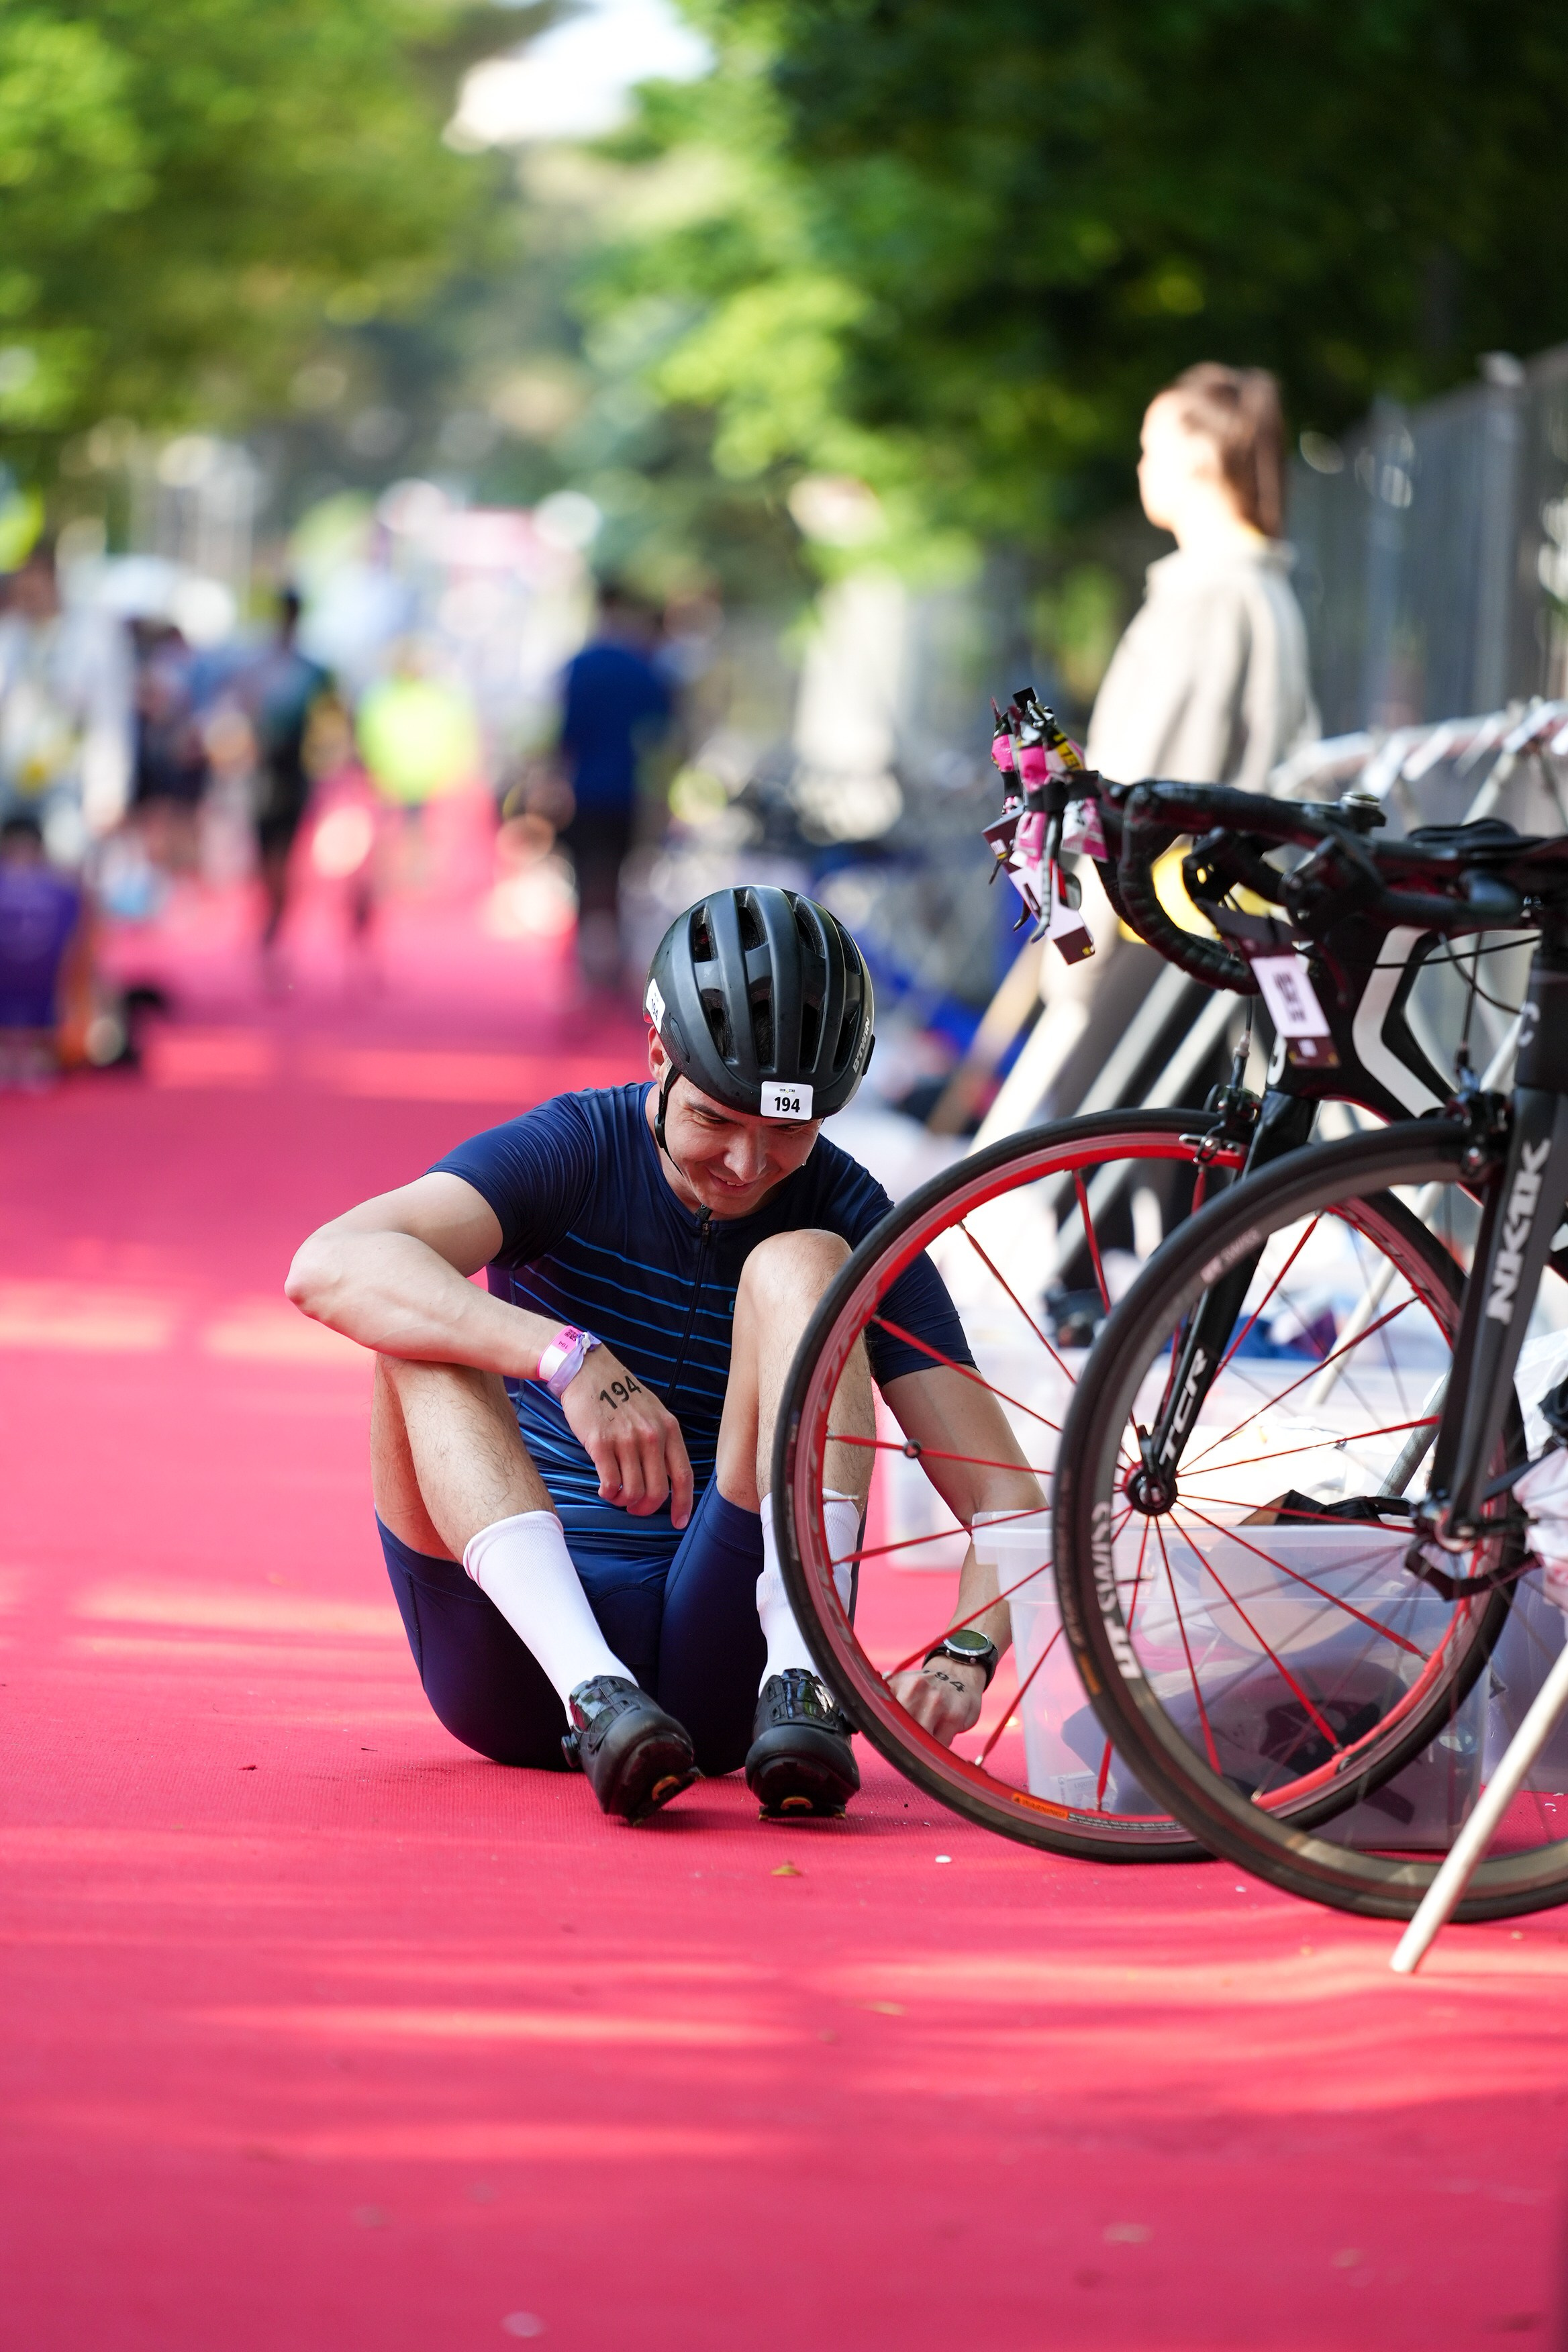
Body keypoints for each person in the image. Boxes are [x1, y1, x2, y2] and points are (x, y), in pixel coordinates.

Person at [287, 887, 1040, 1823]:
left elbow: (1004, 1496)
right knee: (416, 1316)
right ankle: (595, 1695)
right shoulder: (573, 1147)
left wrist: (967, 1655)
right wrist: (567, 1359)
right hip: (514, 1654)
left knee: (810, 1263)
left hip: (723, 1660)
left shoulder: (849, 1208)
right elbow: (328, 1265)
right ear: (658, 1058)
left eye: (788, 1133)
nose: (747, 1164)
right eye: (717, 1121)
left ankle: (805, 1677)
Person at [1085, 362, 1318, 793]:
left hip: (1172, 860)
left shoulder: (1211, 594)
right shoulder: (1253, 584)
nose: (1142, 467)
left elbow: (1144, 792)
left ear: (1198, 455)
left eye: (1151, 449)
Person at [556, 583, 673, 991]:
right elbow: (661, 735)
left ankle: (585, 966)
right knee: (621, 881)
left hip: (584, 791)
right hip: (628, 793)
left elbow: (565, 734)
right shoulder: (644, 667)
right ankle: (616, 966)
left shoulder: (581, 665)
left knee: (585, 878)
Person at [244, 588, 328, 953]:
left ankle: (277, 915)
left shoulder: (312, 671)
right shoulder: (262, 665)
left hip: (293, 773)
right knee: (265, 850)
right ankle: (272, 909)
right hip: (265, 771)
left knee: (284, 850)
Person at [0, 813, 87, 1084]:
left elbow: (81, 946)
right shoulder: (65, 890)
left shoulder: (63, 892)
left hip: (45, 992)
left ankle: (35, 1050)